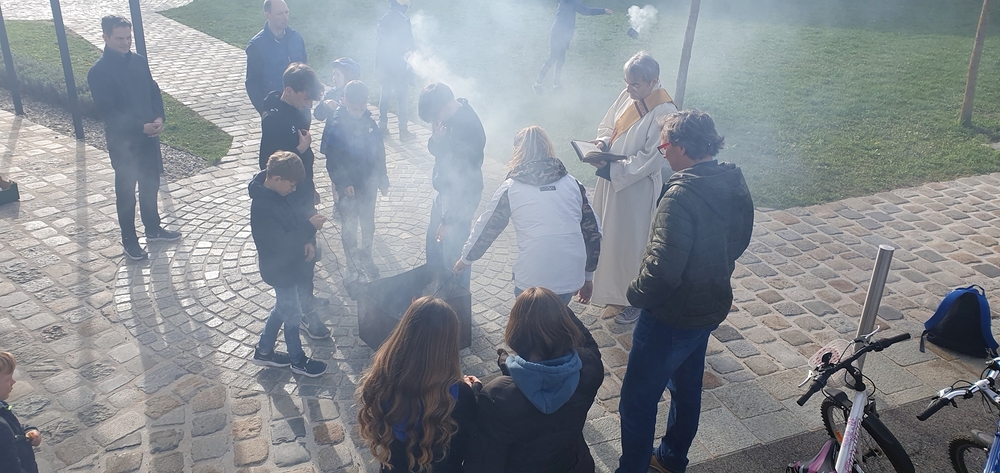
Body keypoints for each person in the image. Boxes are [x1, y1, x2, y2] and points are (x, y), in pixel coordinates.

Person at [616, 110, 754, 473]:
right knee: (687, 387)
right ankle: (672, 458)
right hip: (709, 305)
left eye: (664, 147)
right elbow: (740, 240)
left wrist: (633, 294)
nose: (663, 154)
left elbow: (662, 271)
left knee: (637, 400)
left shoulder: (679, 196)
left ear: (680, 147)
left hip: (670, 315)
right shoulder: (733, 178)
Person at [453, 126, 601, 305]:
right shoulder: (574, 184)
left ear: (518, 151)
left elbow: (487, 226)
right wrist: (588, 276)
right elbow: (594, 232)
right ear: (548, 147)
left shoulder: (511, 187)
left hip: (532, 278)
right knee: (557, 318)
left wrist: (466, 259)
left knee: (529, 320)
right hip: (570, 276)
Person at [465, 287, 603, 472]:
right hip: (574, 464)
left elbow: (482, 464)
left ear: (516, 333)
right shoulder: (589, 366)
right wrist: (552, 307)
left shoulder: (496, 397)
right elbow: (588, 341)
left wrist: (473, 396)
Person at [585, 51, 677, 324]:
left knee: (632, 245)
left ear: (653, 81)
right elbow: (608, 126)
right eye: (627, 82)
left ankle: (634, 300)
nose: (628, 89)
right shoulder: (629, 95)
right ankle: (612, 293)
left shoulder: (665, 111)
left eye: (635, 84)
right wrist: (601, 143)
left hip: (636, 189)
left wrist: (610, 169)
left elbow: (651, 158)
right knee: (610, 239)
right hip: (612, 183)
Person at [88, 15, 181, 261]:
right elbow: (108, 112)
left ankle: (153, 228)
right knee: (126, 192)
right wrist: (141, 127)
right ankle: (129, 240)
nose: (125, 42)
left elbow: (153, 91)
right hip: (123, 144)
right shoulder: (98, 72)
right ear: (105, 37)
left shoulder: (139, 61)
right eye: (119, 38)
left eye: (128, 37)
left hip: (149, 138)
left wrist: (159, 117)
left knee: (150, 184)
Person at [356, 296, 481, 472]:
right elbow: (464, 448)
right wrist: (473, 392)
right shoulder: (460, 396)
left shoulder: (380, 379)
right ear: (449, 344)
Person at [258, 62, 332, 339]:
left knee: (310, 253)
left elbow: (304, 161)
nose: (308, 104)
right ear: (288, 90)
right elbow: (269, 165)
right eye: (305, 97)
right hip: (288, 200)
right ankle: (305, 313)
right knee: (301, 254)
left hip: (302, 192)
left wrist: (310, 187)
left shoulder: (299, 110)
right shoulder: (274, 120)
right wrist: (298, 149)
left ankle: (306, 297)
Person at [249, 151, 329, 377]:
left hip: (290, 265)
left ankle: (264, 351)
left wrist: (308, 239)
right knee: (292, 313)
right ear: (277, 179)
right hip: (279, 269)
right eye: (291, 185)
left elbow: (296, 218)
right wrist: (309, 228)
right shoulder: (262, 207)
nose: (293, 190)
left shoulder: (280, 192)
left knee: (282, 308)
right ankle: (297, 360)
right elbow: (281, 243)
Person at [418, 83, 487, 289]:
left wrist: (449, 220)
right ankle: (437, 291)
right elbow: (442, 155)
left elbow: (464, 183)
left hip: (459, 202)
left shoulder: (467, 129)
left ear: (445, 107)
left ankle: (457, 300)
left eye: (434, 117)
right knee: (434, 248)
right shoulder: (449, 119)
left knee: (454, 256)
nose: (434, 122)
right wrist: (436, 140)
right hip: (444, 194)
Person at [321, 80, 389, 279]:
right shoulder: (337, 128)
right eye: (354, 108)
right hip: (349, 188)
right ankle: (351, 263)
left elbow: (379, 153)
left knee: (368, 223)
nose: (359, 112)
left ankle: (366, 256)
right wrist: (343, 183)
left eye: (362, 108)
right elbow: (333, 161)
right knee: (349, 227)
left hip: (369, 184)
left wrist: (382, 179)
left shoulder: (370, 124)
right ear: (344, 102)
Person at [533, 0, 612, 94]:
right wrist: (603, 11)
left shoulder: (567, 2)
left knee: (561, 60)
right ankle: (537, 84)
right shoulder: (571, 2)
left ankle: (556, 84)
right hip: (559, 34)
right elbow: (586, 11)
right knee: (553, 58)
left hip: (562, 33)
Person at [315, 57, 362, 208]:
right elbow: (318, 115)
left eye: (338, 75)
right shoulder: (331, 94)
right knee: (335, 170)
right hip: (333, 141)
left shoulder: (355, 94)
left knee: (351, 168)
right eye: (333, 74)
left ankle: (354, 195)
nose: (334, 78)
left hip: (352, 141)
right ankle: (337, 201)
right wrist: (325, 105)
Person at [245, 0, 308, 115]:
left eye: (286, 12)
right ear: (267, 15)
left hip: (301, 108)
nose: (285, 17)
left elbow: (306, 71)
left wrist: (308, 100)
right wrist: (264, 111)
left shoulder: (297, 38)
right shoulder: (256, 46)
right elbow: (252, 84)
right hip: (275, 109)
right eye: (280, 14)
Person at [375, 0, 416, 140]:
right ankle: (403, 131)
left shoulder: (384, 20)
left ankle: (382, 126)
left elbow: (378, 45)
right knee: (402, 98)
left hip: (384, 67)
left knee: (385, 95)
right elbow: (409, 47)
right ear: (403, 6)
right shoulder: (403, 21)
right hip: (398, 68)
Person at [0, 352, 40, 473]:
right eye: (8, 379)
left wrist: (28, 430)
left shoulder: (2, 405)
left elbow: (13, 427)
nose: (13, 381)